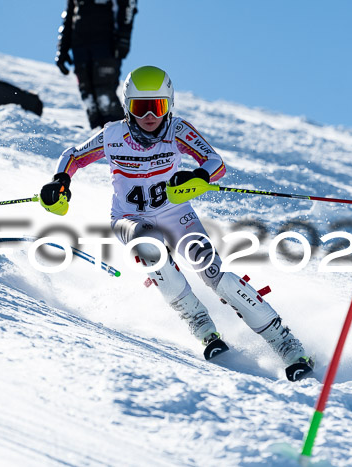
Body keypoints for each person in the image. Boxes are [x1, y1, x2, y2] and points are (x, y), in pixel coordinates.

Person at [39, 66, 314, 381]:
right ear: (127, 107)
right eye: (140, 108)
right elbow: (73, 156)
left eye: (157, 106)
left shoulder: (178, 131)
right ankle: (201, 325)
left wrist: (199, 177)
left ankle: (287, 345)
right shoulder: (113, 135)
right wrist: (60, 181)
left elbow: (215, 162)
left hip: (176, 216)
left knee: (214, 275)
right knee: (150, 248)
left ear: (169, 104)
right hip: (129, 218)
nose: (149, 116)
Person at [55, 0, 137, 129]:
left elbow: (128, 6)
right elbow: (70, 14)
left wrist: (124, 38)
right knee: (88, 97)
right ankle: (98, 138)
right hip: (80, 46)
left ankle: (121, 137)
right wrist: (62, 49)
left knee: (104, 94)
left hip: (106, 43)